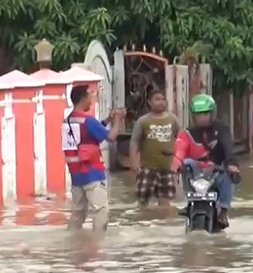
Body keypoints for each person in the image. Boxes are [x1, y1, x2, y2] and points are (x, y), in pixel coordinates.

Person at [170, 94, 240, 227]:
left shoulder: (222, 130)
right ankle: (189, 203)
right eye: (198, 115)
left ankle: (223, 211)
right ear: (193, 116)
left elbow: (228, 147)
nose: (202, 118)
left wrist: (231, 164)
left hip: (216, 172)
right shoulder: (186, 134)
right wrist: (175, 164)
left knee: (227, 174)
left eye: (205, 114)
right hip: (195, 173)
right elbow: (179, 151)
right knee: (187, 163)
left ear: (211, 114)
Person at [63, 85, 123, 232]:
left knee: (78, 214)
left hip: (76, 176)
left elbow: (89, 134)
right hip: (92, 174)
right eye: (90, 97)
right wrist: (118, 121)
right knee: (100, 211)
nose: (91, 100)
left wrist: (107, 120)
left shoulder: (68, 120)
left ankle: (73, 242)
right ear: (83, 99)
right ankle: (99, 244)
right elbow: (110, 137)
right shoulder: (87, 120)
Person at [129, 90, 181, 207]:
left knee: (166, 202)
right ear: (150, 102)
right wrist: (133, 164)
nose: (161, 102)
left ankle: (163, 224)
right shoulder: (143, 121)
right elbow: (134, 142)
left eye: (163, 99)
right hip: (147, 167)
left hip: (168, 168)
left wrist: (178, 164)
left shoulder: (173, 120)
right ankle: (143, 223)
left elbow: (180, 141)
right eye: (157, 99)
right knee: (142, 201)